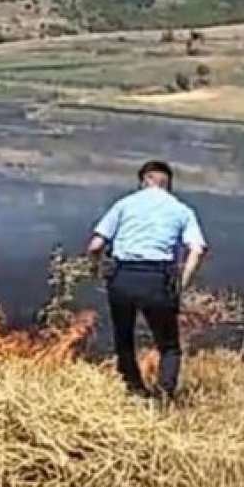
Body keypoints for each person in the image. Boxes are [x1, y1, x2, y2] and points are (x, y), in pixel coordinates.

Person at [87, 160, 209, 400]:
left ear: (144, 181)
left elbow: (95, 245)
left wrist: (97, 270)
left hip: (122, 277)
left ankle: (133, 389)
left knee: (124, 338)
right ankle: (163, 397)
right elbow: (198, 249)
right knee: (169, 346)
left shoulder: (124, 204)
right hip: (157, 279)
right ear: (168, 184)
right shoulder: (182, 210)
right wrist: (182, 283)